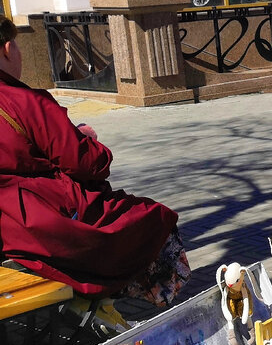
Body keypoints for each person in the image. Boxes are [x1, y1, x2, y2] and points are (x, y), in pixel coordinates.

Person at [0, 16, 189, 310]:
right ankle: (152, 304)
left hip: (9, 227)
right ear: (8, 49)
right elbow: (86, 163)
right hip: (38, 224)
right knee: (152, 217)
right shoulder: (25, 102)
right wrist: (87, 139)